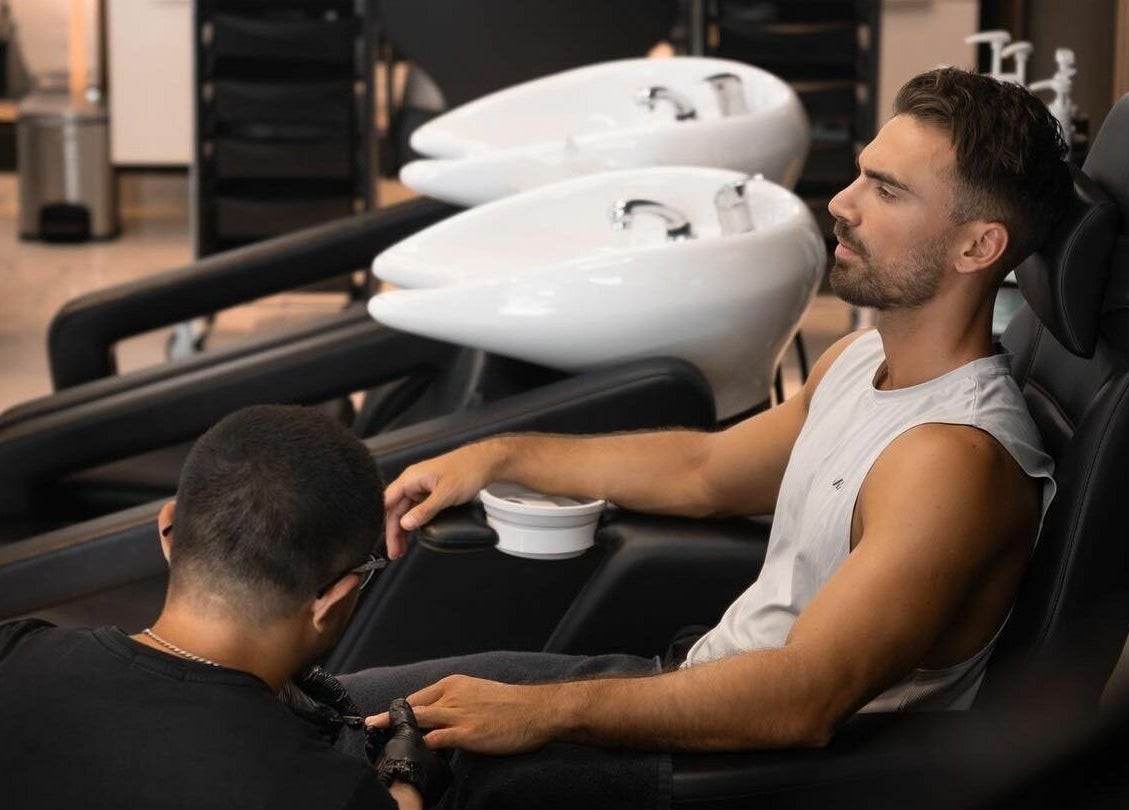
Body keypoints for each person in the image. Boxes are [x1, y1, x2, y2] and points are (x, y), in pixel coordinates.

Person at [343, 68, 1071, 806]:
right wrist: (500, 455)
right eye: (859, 174)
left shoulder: (950, 460)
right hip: (691, 686)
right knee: (337, 706)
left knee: (351, 763)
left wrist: (541, 711)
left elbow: (804, 698)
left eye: (886, 191)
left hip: (750, 770)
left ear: (977, 247)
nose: (842, 204)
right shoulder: (859, 360)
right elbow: (705, 469)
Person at [0, 405, 448, 810]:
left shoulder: (14, 651)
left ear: (168, 531)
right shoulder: (322, 788)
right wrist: (408, 781)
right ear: (332, 600)